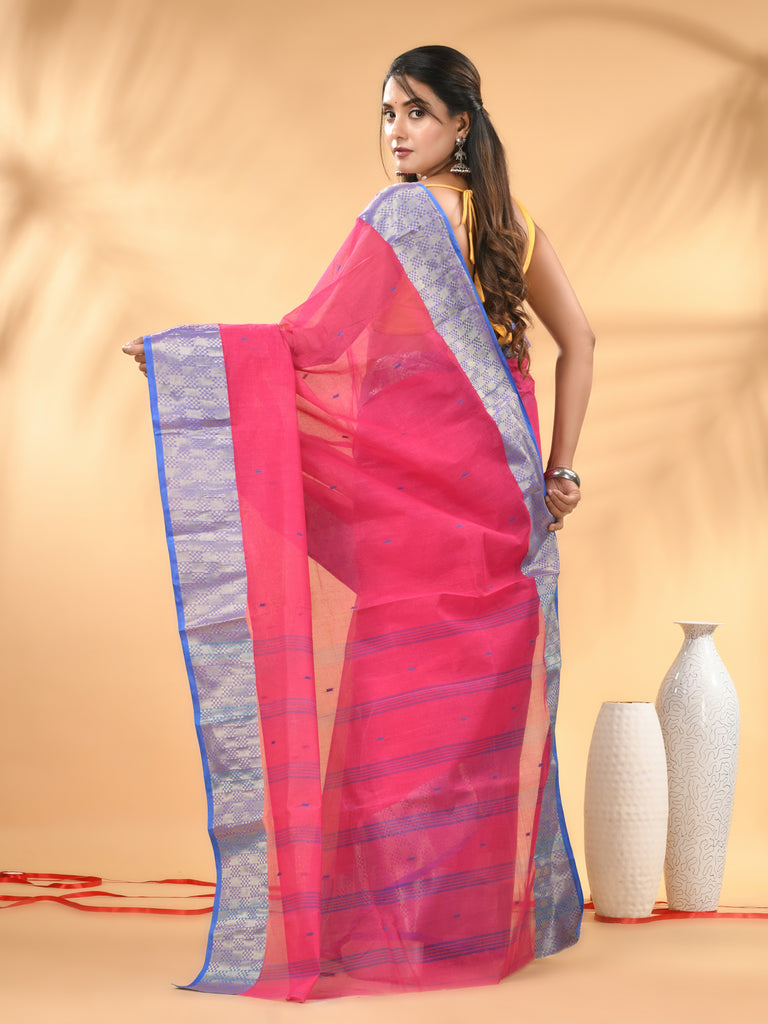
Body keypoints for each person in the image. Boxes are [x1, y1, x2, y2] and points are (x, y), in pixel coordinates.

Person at [123, 45, 593, 1002]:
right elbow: (578, 342)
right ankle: (466, 932)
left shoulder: (404, 218)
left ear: (461, 122)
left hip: (423, 512)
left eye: (415, 112)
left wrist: (189, 364)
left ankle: (391, 931)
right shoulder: (509, 221)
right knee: (473, 722)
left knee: (401, 718)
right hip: (501, 504)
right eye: (386, 113)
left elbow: (306, 343)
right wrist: (561, 471)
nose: (397, 132)